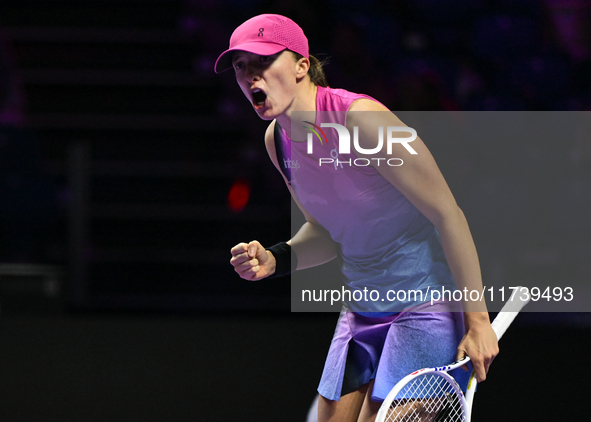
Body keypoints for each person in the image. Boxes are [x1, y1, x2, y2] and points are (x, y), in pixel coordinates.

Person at [218, 14, 498, 422]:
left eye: (263, 61)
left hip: (424, 301)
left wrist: (478, 321)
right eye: (241, 66)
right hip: (362, 309)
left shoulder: (362, 120)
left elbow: (447, 214)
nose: (249, 75)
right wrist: (277, 258)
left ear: (301, 66)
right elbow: (328, 233)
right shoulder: (276, 142)